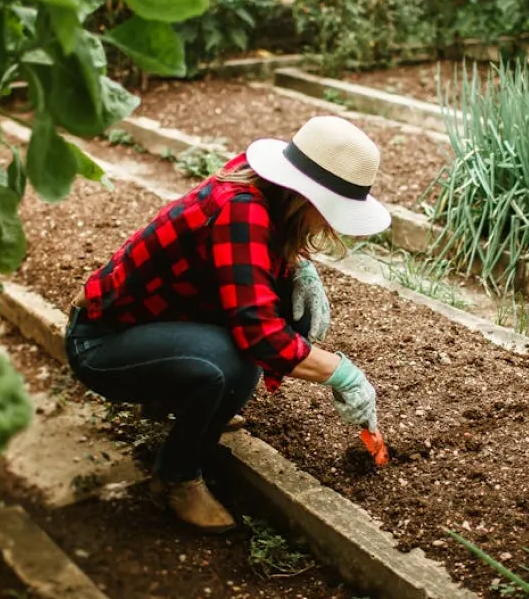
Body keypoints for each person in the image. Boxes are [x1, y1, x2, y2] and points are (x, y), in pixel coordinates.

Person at [63, 115, 391, 533]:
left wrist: (299, 268)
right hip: (100, 345)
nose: (330, 225)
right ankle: (176, 478)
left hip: (146, 328)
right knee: (232, 364)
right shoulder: (241, 210)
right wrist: (343, 374)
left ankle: (173, 400)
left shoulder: (256, 185)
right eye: (330, 212)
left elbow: (247, 270)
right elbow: (262, 336)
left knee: (266, 335)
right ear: (306, 198)